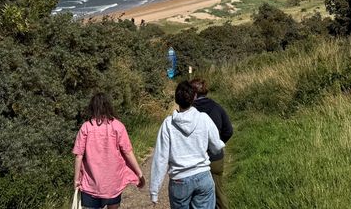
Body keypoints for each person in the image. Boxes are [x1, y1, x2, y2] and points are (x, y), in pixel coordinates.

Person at [150, 80, 224, 209]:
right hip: (203, 177)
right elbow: (216, 146)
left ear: (176, 99)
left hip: (179, 181)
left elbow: (160, 158)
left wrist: (154, 191)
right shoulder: (204, 118)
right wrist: (218, 145)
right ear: (194, 97)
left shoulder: (168, 124)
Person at [73, 93, 146, 208]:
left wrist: (76, 179)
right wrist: (139, 173)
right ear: (108, 106)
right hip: (113, 184)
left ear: (92, 107)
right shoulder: (118, 126)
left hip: (91, 185)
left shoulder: (86, 127)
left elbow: (79, 156)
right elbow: (127, 151)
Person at [189, 78, 233, 209]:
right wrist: (217, 144)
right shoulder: (217, 107)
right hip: (215, 158)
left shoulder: (190, 111)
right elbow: (229, 130)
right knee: (219, 194)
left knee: (196, 198)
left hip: (196, 159)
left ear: (193, 93)